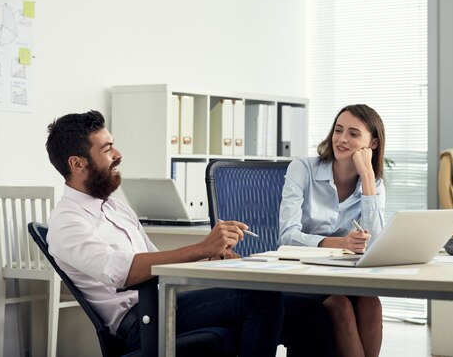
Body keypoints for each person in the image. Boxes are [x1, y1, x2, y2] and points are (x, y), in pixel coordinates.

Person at [45, 110, 335, 357]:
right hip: (140, 322)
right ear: (77, 163)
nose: (118, 154)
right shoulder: (67, 223)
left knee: (309, 310)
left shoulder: (116, 208)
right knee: (260, 299)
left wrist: (210, 258)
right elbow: (125, 273)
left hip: (168, 303)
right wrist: (202, 247)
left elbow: (156, 263)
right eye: (107, 149)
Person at [279, 104, 386, 357]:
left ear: (372, 144)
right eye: (338, 130)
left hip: (344, 277)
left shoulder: (374, 184)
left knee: (371, 303)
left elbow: (376, 246)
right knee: (339, 305)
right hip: (301, 276)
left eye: (353, 133)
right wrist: (341, 243)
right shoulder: (302, 169)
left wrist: (368, 178)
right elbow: (287, 236)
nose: (342, 139)